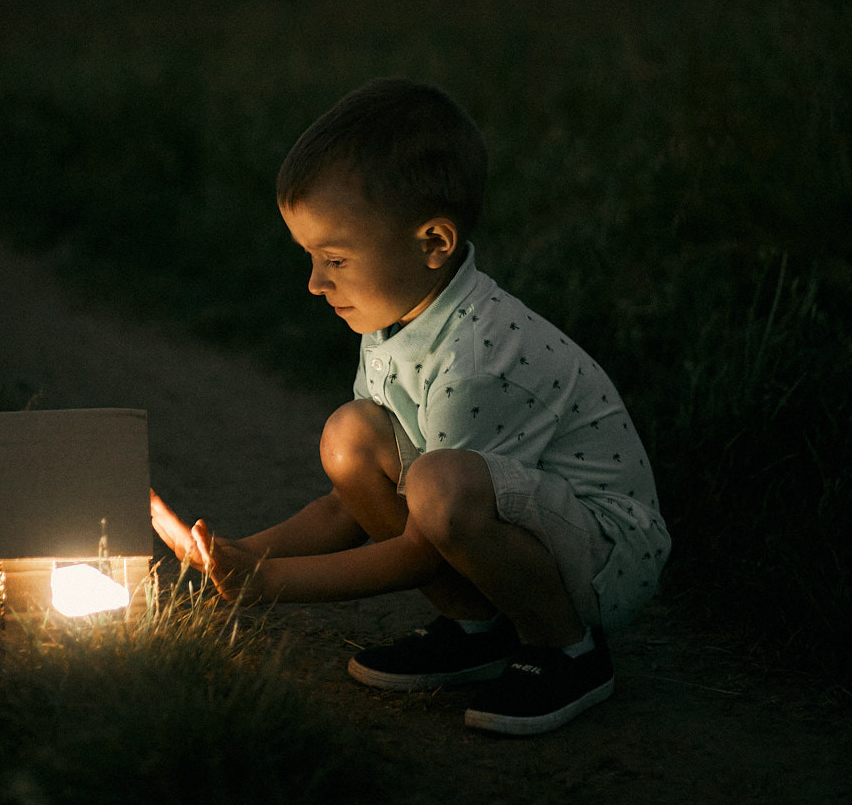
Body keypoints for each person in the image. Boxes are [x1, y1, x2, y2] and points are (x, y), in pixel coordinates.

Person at [152, 78, 670, 735]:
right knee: (352, 436)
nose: (314, 283)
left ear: (433, 243)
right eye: (309, 258)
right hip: (519, 529)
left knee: (439, 483)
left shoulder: (477, 357)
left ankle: (567, 649)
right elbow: (350, 507)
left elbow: (425, 540)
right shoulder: (391, 326)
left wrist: (273, 585)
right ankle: (475, 627)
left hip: (605, 556)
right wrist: (239, 555)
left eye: (334, 258)